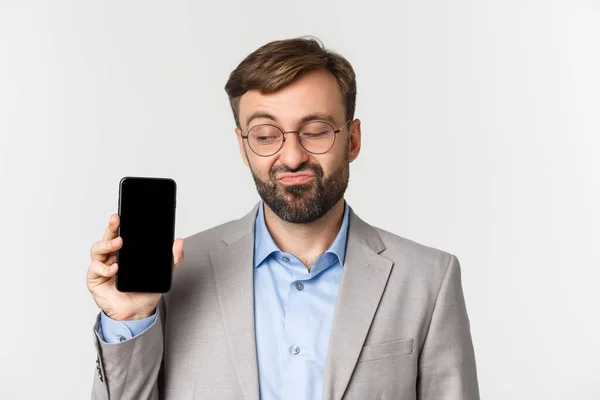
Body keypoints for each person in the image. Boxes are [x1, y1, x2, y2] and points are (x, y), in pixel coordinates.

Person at [87, 37, 480, 400]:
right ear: (243, 147)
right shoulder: (173, 276)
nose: (292, 157)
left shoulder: (429, 279)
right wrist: (131, 321)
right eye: (265, 135)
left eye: (316, 130)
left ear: (353, 139)